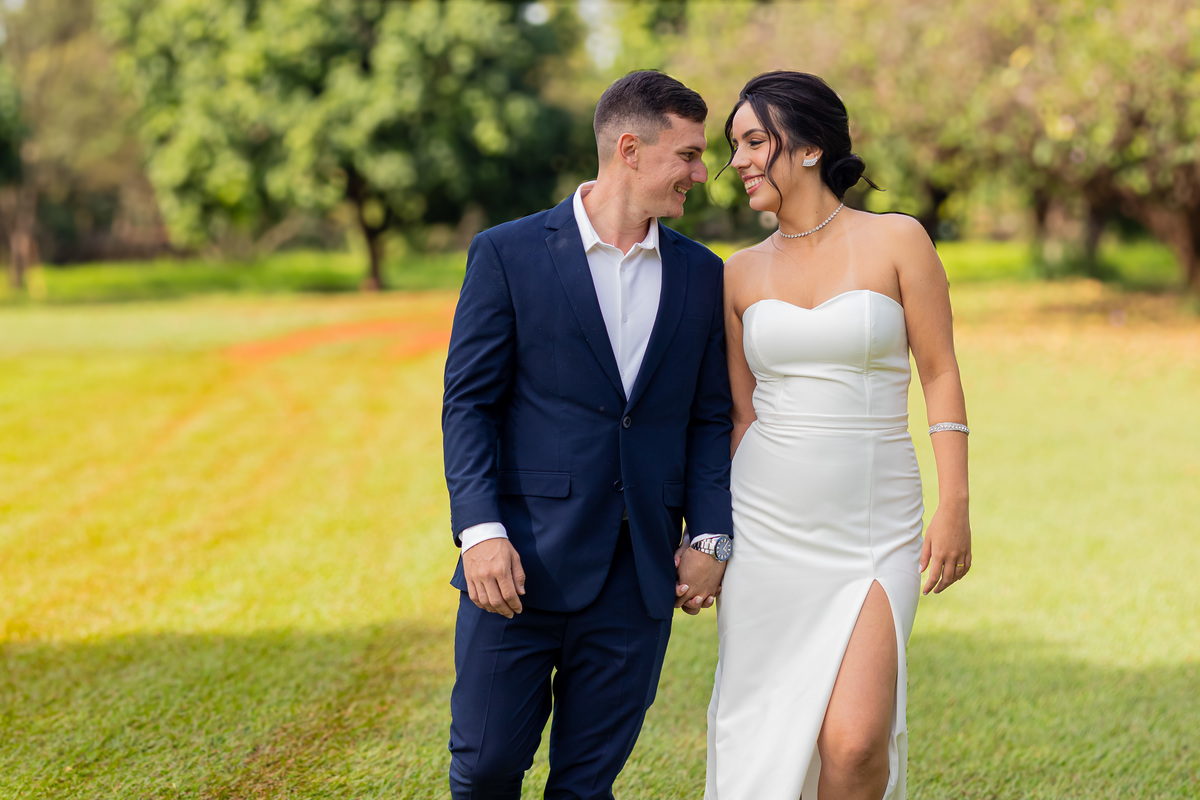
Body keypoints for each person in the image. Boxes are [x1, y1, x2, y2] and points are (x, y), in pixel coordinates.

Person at [442, 70, 735, 800]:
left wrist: (709, 538)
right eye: (690, 155)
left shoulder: (702, 275)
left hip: (636, 574)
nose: (703, 173)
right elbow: (469, 404)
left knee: (586, 784)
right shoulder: (506, 254)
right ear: (630, 149)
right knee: (484, 769)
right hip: (518, 561)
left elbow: (707, 416)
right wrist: (479, 531)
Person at [704, 71, 973, 799]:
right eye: (734, 147)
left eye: (754, 141)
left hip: (875, 523)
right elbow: (739, 414)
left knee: (855, 740)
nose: (739, 163)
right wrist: (711, 539)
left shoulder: (898, 240)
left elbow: (940, 374)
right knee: (764, 731)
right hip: (767, 526)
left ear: (812, 146)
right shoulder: (737, 273)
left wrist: (955, 505)